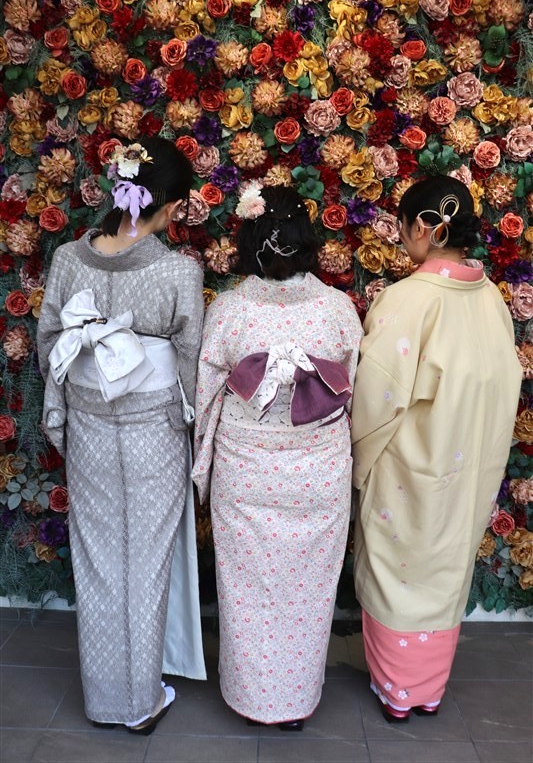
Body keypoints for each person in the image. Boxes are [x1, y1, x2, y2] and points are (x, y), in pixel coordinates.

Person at [37, 136, 206, 734]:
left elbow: (50, 343)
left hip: (87, 424)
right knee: (147, 560)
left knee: (98, 559)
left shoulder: (68, 259)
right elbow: (190, 361)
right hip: (154, 427)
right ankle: (140, 700)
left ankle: (107, 697)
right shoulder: (179, 271)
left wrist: (75, 391)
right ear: (173, 206)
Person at [351, 175, 522, 722]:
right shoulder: (490, 299)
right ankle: (426, 690)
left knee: (398, 571)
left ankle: (397, 691)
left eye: (404, 227)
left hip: (411, 464)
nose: (402, 237)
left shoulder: (409, 300)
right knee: (444, 571)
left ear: (424, 228)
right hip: (470, 464)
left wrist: (356, 461)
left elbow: (377, 397)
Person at [192, 184, 363, 729]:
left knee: (246, 587)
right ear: (307, 241)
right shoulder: (337, 310)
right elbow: (353, 388)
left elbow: (206, 395)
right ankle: (293, 701)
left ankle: (253, 698)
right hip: (318, 468)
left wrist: (204, 462)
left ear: (249, 241)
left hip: (246, 469)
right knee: (308, 588)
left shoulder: (229, 311)